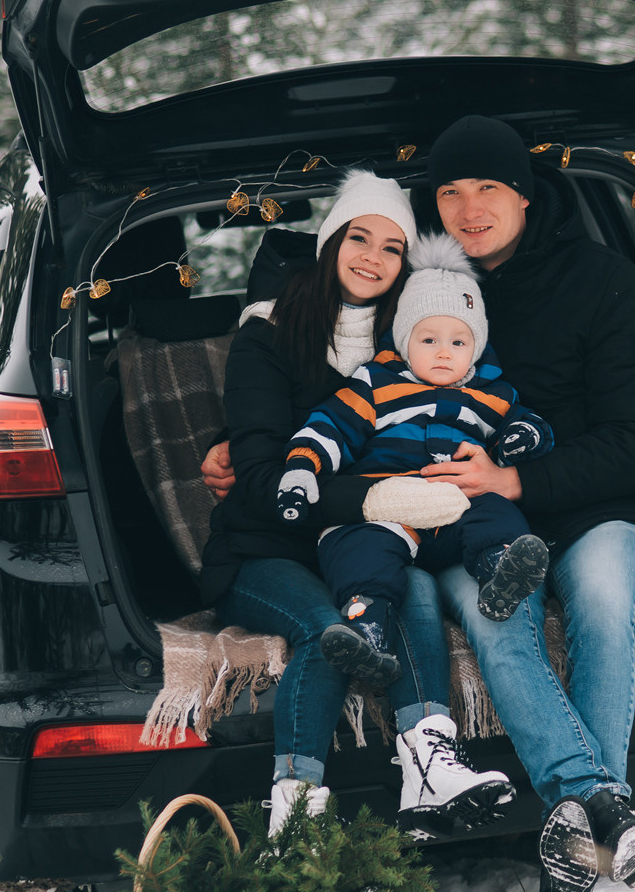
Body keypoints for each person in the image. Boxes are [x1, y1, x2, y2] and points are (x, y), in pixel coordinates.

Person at [407, 114, 635, 892]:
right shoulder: (421, 290)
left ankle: (575, 832)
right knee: (499, 623)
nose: (469, 207)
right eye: (450, 191)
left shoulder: (596, 278)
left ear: (525, 193)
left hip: (593, 504)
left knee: (600, 600)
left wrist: (518, 474)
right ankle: (601, 816)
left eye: (488, 186)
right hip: (470, 520)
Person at [196, 170, 513, 838]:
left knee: (414, 588)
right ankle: (297, 814)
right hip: (267, 545)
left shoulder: (412, 347)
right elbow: (257, 477)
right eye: (359, 237)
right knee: (323, 627)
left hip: (362, 540)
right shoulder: (270, 333)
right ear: (331, 239)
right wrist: (376, 496)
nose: (372, 256)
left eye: (392, 246)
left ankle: (428, 764)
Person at [275, 234, 557, 682]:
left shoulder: (490, 393)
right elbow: (332, 424)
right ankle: (367, 629)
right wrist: (303, 465)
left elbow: (529, 424)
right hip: (388, 509)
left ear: (477, 346)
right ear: (405, 341)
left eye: (459, 342)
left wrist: (521, 439)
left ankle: (499, 571)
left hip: (455, 508)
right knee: (359, 548)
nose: (444, 351)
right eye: (428, 339)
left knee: (494, 509)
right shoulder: (376, 383)